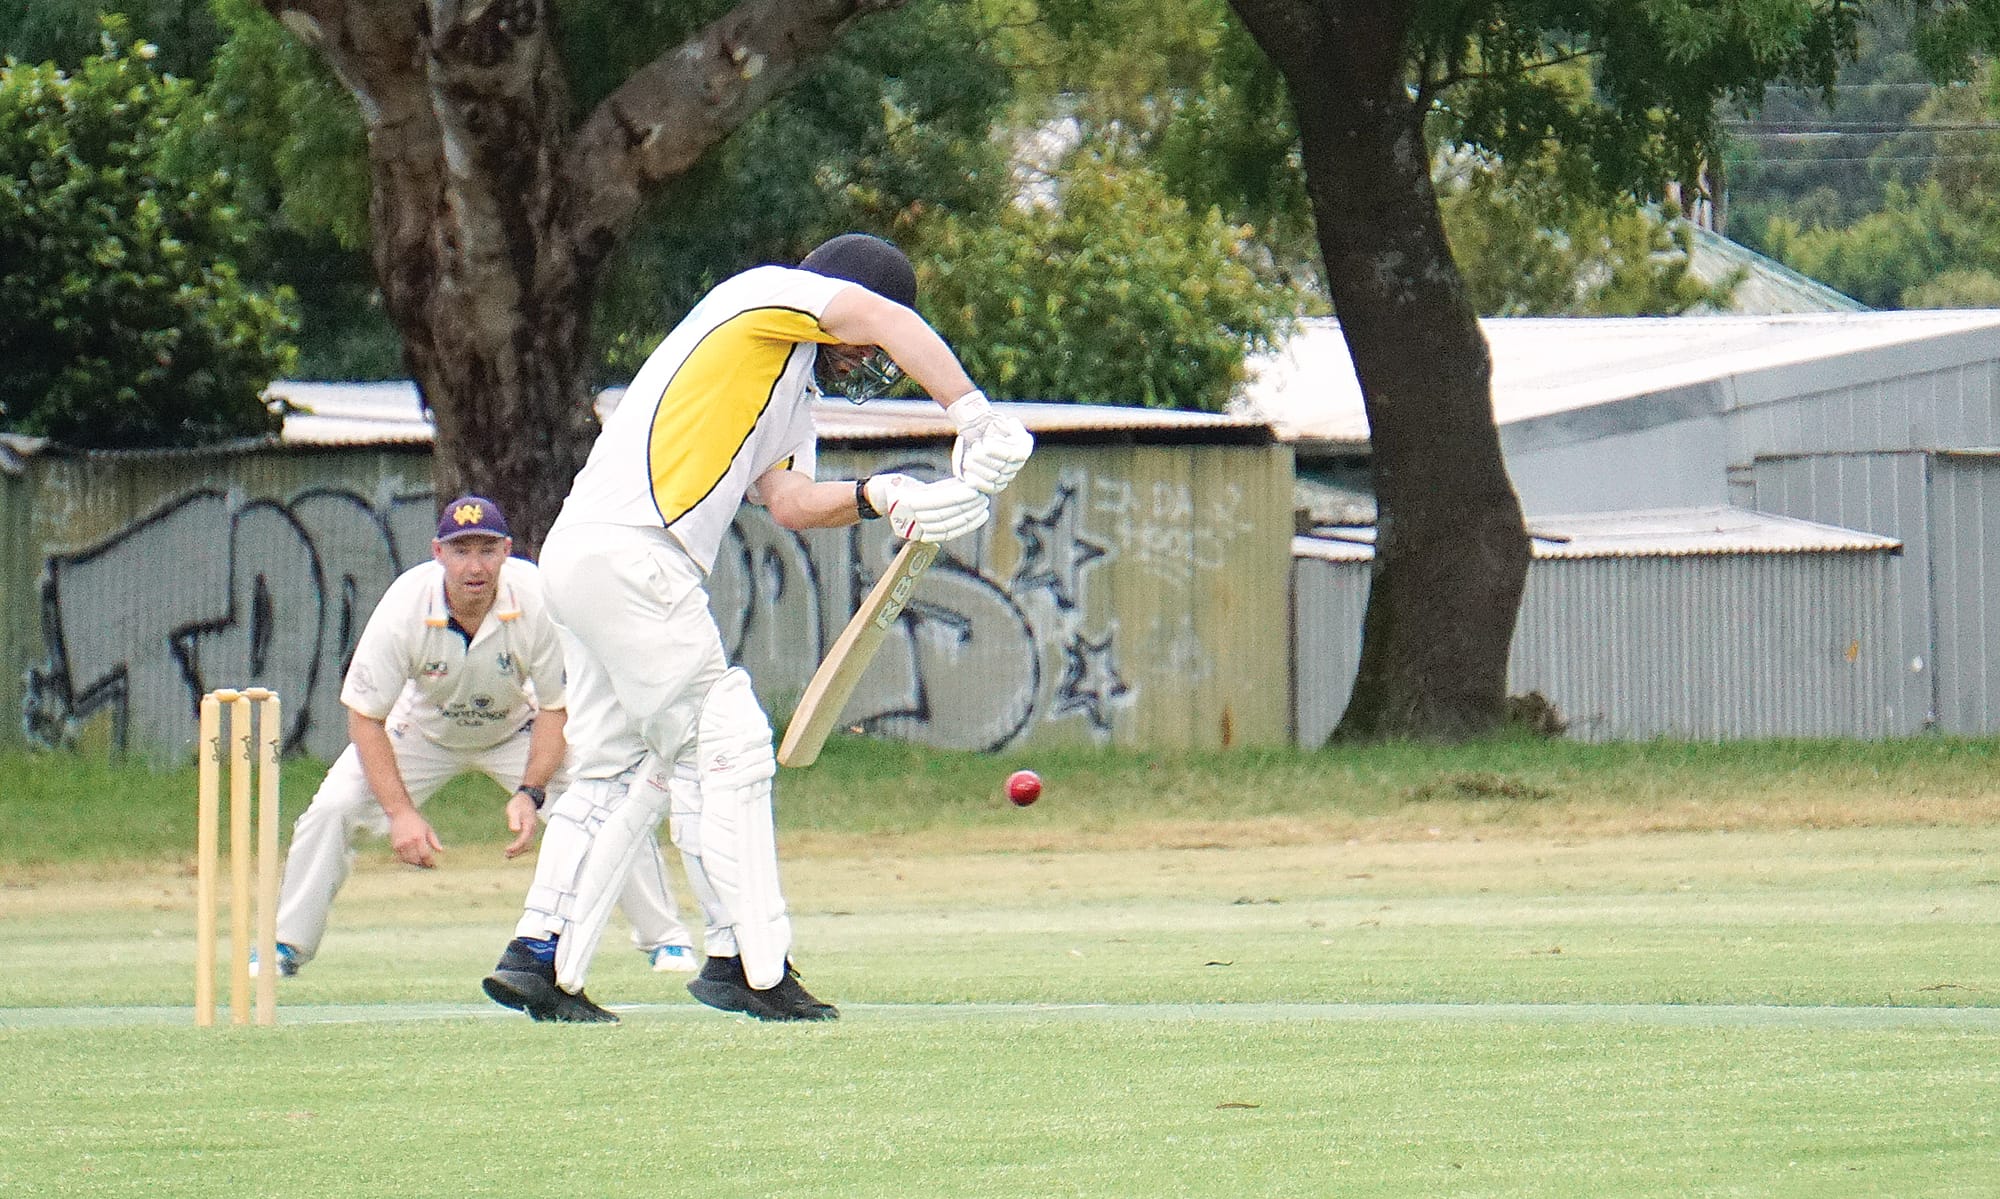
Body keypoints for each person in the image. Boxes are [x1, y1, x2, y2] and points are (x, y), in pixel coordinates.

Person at [481, 233, 1034, 1023]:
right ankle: (748, 962)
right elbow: (878, 317)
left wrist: (883, 494)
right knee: (728, 741)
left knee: (610, 764)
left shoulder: (789, 387)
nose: (869, 354)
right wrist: (973, 415)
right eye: (870, 336)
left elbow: (792, 502)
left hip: (591, 555)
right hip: (636, 554)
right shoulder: (765, 296)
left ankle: (538, 956)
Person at [260, 495, 699, 978]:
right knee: (332, 809)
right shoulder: (406, 604)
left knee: (607, 804)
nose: (475, 566)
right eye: (461, 550)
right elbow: (366, 717)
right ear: (438, 553)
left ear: (507, 550)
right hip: (423, 729)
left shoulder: (536, 597)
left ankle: (668, 942)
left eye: (487, 550)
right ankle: (285, 945)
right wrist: (401, 813)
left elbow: (557, 707)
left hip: (518, 727)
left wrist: (531, 792)